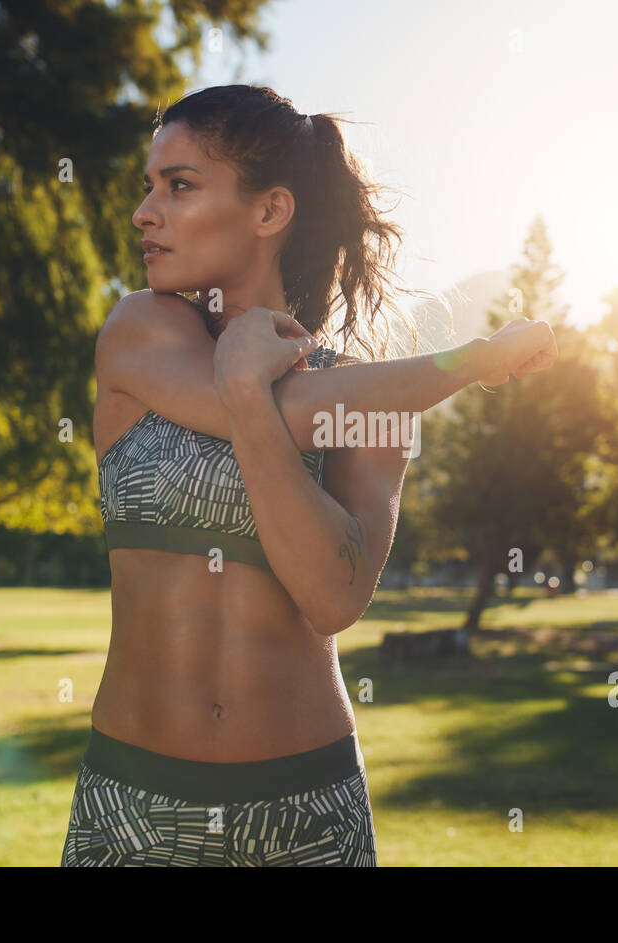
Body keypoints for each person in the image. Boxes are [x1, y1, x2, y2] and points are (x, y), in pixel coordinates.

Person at [61, 84, 556, 866]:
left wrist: (251, 397)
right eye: (149, 185)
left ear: (269, 212)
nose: (144, 211)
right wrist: (469, 365)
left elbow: (334, 599)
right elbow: (292, 407)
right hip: (131, 805)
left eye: (179, 185)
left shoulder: (373, 402)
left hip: (305, 816)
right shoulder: (139, 332)